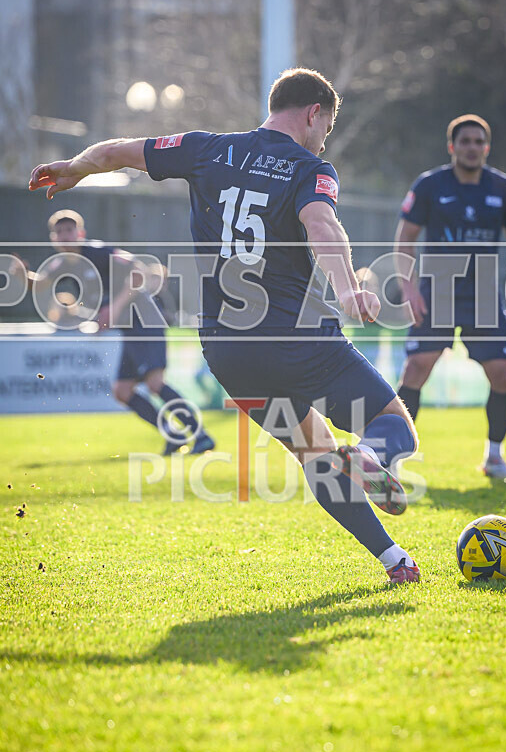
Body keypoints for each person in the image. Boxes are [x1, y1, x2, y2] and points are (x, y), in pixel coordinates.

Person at [29, 67, 420, 584]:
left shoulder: (206, 148)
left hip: (227, 351)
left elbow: (118, 151)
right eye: (326, 128)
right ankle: (370, 455)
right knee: (394, 425)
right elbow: (322, 223)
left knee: (315, 451)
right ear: (313, 114)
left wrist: (75, 168)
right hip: (296, 337)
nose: (324, 141)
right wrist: (348, 288)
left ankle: (395, 560)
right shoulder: (310, 168)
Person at [394, 114, 506, 480]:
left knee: (502, 374)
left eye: (479, 142)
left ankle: (495, 457)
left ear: (487, 148)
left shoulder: (503, 188)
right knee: (416, 368)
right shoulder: (429, 185)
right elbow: (405, 238)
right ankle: (392, 456)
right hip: (438, 289)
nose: (472, 147)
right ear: (452, 146)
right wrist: (409, 288)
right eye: (465, 141)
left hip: (483, 291)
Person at [20, 210, 215, 455]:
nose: (65, 235)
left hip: (145, 321)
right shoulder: (64, 263)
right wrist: (21, 275)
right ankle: (173, 435)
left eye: (69, 230)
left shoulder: (98, 252)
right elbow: (40, 284)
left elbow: (138, 271)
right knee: (122, 391)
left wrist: (114, 308)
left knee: (155, 383)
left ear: (81, 233)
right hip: (130, 329)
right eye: (59, 232)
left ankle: (201, 435)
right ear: (53, 238)